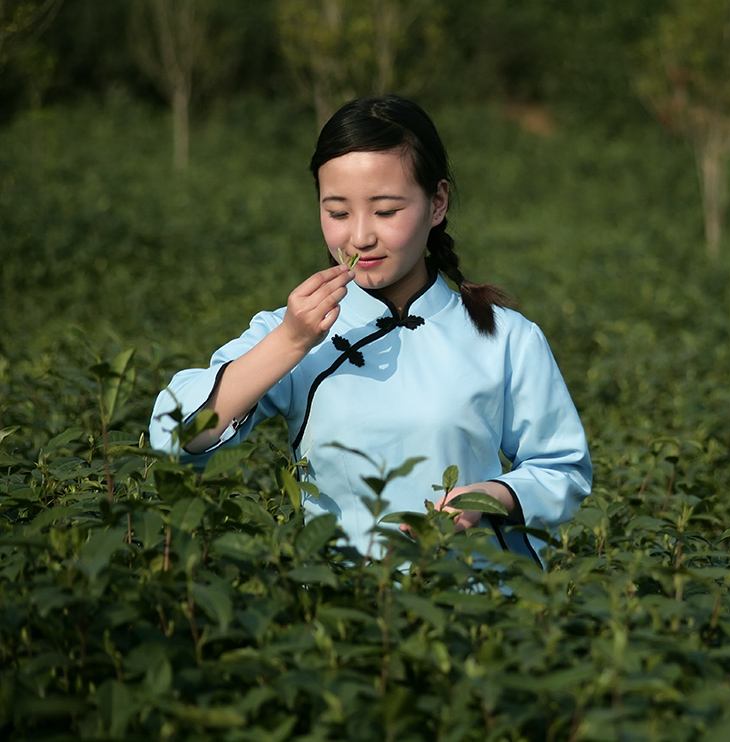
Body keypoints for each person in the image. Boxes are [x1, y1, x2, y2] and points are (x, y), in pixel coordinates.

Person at [149, 95, 591, 565]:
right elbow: (173, 437)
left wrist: (489, 496)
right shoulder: (293, 333)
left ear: (437, 203)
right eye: (337, 213)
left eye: (385, 211)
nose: (359, 237)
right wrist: (292, 341)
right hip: (341, 610)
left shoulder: (507, 337)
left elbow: (562, 470)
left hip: (477, 608)